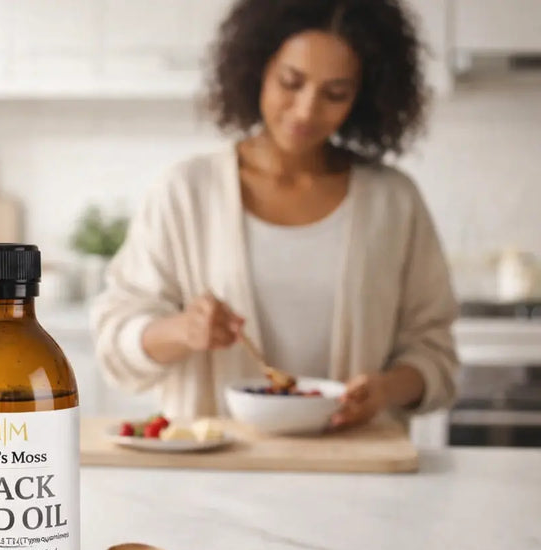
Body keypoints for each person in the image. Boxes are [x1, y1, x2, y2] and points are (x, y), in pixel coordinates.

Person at [90, 0, 458, 429]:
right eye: (291, 82)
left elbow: (435, 355)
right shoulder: (186, 192)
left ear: (363, 95)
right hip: (211, 479)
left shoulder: (393, 202)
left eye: (335, 93)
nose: (306, 110)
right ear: (258, 69)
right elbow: (115, 344)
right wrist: (183, 331)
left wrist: (384, 390)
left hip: (357, 475)